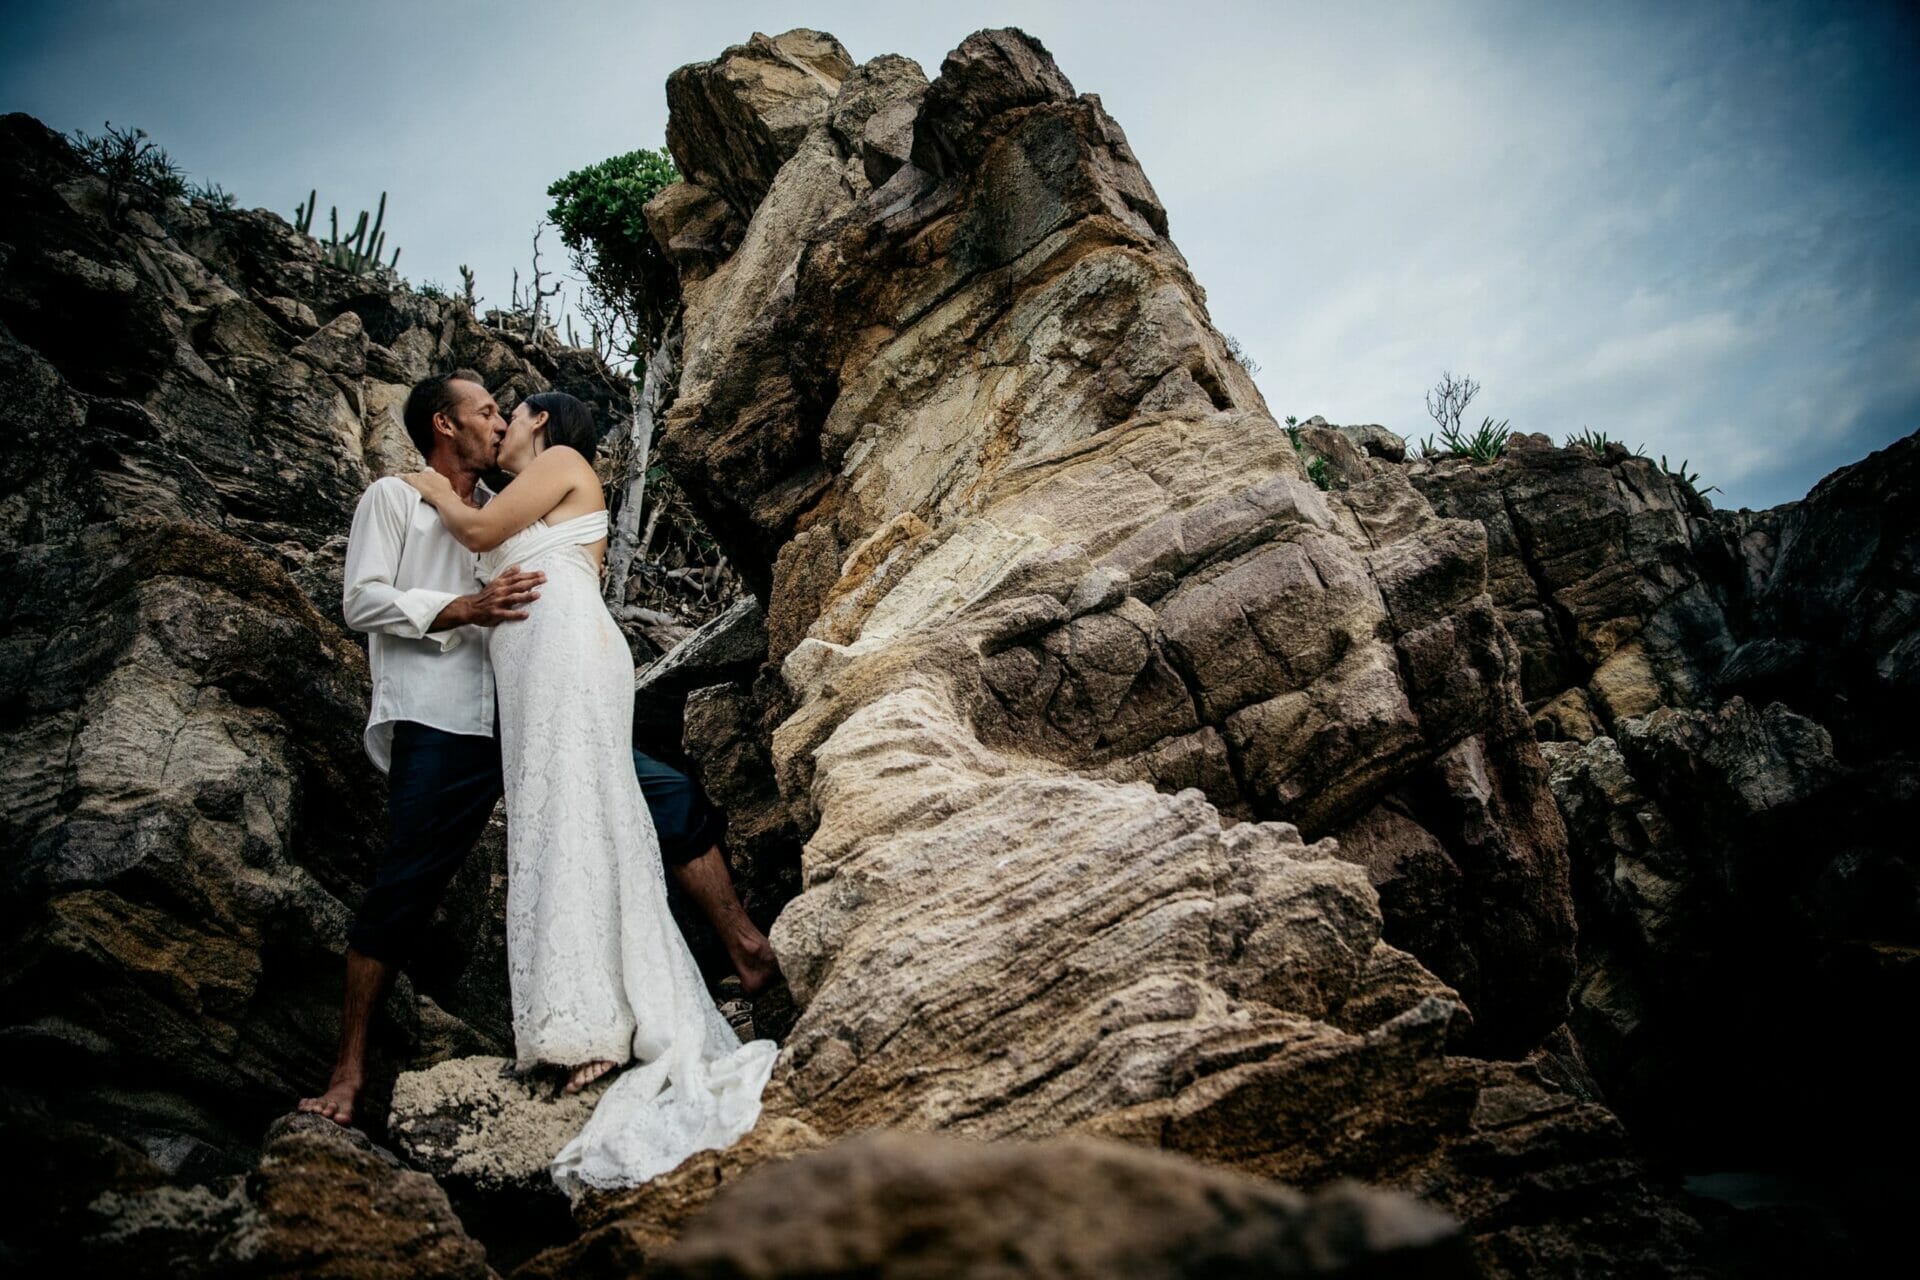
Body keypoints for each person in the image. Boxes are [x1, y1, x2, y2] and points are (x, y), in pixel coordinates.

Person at [298, 369, 775, 1137]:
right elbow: (361, 599)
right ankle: (348, 1071)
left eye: (504, 412)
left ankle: (742, 948)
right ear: (445, 425)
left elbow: (549, 559)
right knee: (406, 882)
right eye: (486, 411)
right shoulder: (394, 498)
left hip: (533, 708)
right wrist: (463, 606)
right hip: (445, 720)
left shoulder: (507, 502)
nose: (497, 423)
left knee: (661, 797)